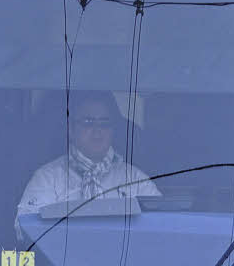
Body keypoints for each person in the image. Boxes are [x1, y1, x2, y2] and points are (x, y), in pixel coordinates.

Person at [17, 91, 160, 219]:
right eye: (88, 122)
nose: (97, 131)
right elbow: (25, 226)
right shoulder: (47, 178)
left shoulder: (136, 180)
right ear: (71, 130)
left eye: (104, 123)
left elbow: (159, 225)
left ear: (113, 131)